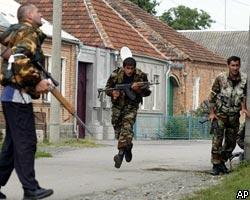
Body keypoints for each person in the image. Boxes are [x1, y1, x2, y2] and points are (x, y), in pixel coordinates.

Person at [0, 3, 53, 199]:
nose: (42, 15)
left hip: (12, 95)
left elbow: (14, 58)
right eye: (39, 12)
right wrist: (38, 81)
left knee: (13, 145)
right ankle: (30, 188)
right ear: (29, 16)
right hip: (17, 96)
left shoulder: (17, 33)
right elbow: (20, 60)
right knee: (26, 143)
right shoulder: (29, 33)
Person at [105, 57, 151, 168]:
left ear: (134, 68)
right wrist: (113, 93)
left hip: (132, 107)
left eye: (131, 68)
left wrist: (138, 90)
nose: (129, 71)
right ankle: (128, 146)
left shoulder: (140, 76)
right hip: (118, 107)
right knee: (118, 130)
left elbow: (147, 93)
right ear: (123, 67)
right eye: (127, 68)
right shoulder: (115, 75)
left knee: (127, 128)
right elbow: (107, 89)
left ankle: (120, 154)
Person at [208, 56, 247, 176]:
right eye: (233, 65)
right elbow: (212, 96)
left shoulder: (244, 79)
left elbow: (244, 96)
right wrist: (211, 113)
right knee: (217, 140)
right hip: (220, 114)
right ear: (228, 65)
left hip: (234, 115)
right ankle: (216, 165)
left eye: (237, 65)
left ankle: (222, 162)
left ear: (239, 65)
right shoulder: (221, 78)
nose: (235, 68)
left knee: (231, 142)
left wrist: (244, 108)